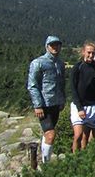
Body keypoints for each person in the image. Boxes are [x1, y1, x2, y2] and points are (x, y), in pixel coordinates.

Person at [28, 35, 66, 163]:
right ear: (47, 46)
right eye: (52, 45)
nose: (55, 47)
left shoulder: (60, 64)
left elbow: (62, 84)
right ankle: (46, 164)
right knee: (51, 134)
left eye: (57, 45)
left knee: (49, 134)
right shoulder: (38, 63)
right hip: (44, 104)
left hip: (56, 104)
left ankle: (41, 158)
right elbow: (32, 85)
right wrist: (37, 105)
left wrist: (62, 100)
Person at [71, 42, 95, 151]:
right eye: (88, 52)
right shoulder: (77, 67)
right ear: (83, 52)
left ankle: (87, 158)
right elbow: (73, 89)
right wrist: (79, 108)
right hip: (79, 106)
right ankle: (75, 159)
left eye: (93, 53)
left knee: (90, 136)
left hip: (93, 106)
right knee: (78, 135)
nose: (90, 55)